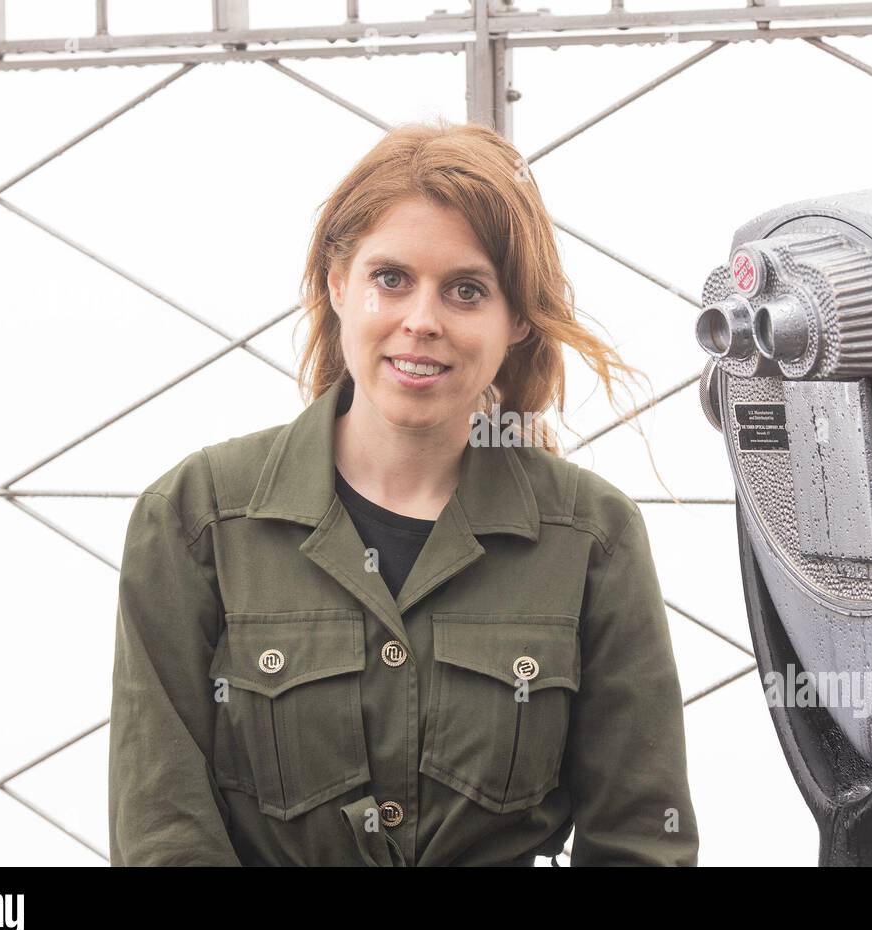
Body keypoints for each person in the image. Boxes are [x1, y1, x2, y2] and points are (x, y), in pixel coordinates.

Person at [108, 119, 699, 866]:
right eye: (392, 278)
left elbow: (643, 837)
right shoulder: (196, 521)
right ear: (338, 284)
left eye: (466, 290)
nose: (421, 322)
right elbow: (165, 832)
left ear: (516, 318)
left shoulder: (591, 538)